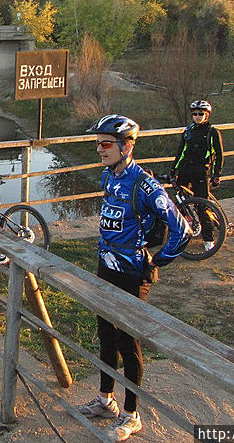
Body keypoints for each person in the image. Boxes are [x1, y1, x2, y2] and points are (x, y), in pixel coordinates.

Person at [77, 114, 191, 441]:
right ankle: (105, 400)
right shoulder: (108, 176)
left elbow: (182, 230)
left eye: (106, 143)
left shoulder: (146, 185)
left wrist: (157, 260)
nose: (99, 149)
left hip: (131, 272)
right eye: (97, 143)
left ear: (126, 146)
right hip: (106, 266)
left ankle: (131, 414)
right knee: (105, 335)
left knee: (128, 342)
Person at [170, 100, 224, 251]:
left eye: (201, 114)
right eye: (195, 114)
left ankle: (208, 239)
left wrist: (217, 174)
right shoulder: (188, 131)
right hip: (185, 169)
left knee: (202, 205)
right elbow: (181, 152)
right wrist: (173, 169)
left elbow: (219, 155)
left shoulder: (212, 132)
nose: (198, 116)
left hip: (201, 170)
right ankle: (184, 232)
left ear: (207, 115)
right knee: (181, 202)